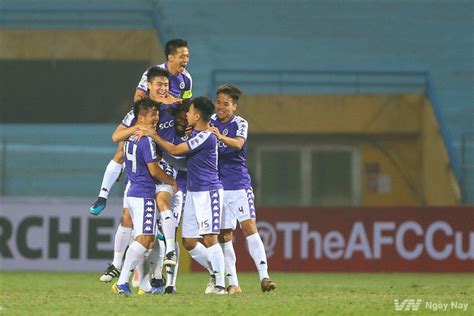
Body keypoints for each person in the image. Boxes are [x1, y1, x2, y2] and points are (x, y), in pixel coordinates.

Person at [89, 38, 192, 215]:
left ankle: (166, 219)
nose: (186, 60)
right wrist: (154, 108)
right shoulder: (152, 73)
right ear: (171, 57)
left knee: (170, 154)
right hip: (146, 115)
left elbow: (185, 105)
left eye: (187, 56)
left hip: (167, 119)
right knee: (122, 149)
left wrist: (185, 123)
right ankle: (102, 196)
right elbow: (138, 98)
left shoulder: (186, 79)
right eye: (182, 56)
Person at [99, 67, 179, 283]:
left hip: (163, 168)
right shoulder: (139, 113)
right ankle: (120, 266)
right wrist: (139, 127)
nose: (163, 89)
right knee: (130, 220)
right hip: (140, 174)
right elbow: (117, 136)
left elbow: (189, 124)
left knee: (159, 212)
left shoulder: (176, 108)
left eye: (166, 85)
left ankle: (165, 259)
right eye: (158, 85)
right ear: (149, 86)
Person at [143, 97, 227, 295]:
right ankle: (214, 273)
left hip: (209, 191)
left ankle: (221, 285)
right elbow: (183, 164)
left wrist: (153, 135)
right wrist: (162, 157)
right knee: (188, 241)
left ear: (197, 116)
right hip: (193, 192)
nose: (186, 115)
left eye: (189, 112)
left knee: (210, 238)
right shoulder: (195, 135)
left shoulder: (205, 135)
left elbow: (174, 149)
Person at [209, 84, 276, 293]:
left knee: (249, 228)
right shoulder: (208, 122)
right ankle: (233, 284)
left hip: (238, 185)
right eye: (218, 102)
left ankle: (264, 277)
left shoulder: (240, 123)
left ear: (234, 106)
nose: (221, 106)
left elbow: (238, 144)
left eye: (226, 103)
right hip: (217, 187)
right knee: (224, 235)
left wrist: (219, 136)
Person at [111, 98, 177, 295]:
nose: (156, 118)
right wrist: (172, 182)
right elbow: (155, 171)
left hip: (132, 193)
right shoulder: (146, 140)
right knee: (145, 238)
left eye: (157, 114)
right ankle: (123, 282)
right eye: (152, 115)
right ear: (140, 117)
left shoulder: (130, 137)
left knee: (149, 240)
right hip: (144, 195)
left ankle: (151, 283)